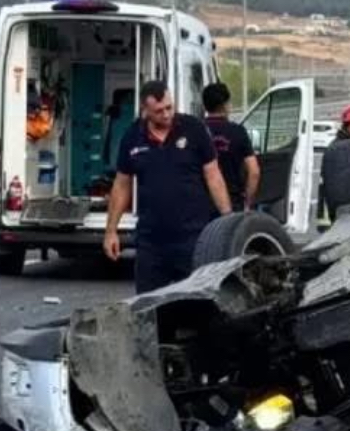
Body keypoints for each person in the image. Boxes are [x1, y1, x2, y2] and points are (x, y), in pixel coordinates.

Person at [104, 80, 232, 293]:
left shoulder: (194, 129)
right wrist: (111, 231)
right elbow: (122, 185)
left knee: (197, 303)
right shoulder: (132, 137)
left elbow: (213, 176)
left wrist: (228, 220)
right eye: (159, 111)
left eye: (169, 107)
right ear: (145, 111)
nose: (166, 114)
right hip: (151, 242)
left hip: (193, 238)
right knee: (149, 308)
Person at [202, 82, 261, 212]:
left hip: (202, 204)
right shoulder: (238, 132)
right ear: (225, 105)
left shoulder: (197, 131)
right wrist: (247, 202)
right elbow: (254, 172)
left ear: (205, 106)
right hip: (233, 202)